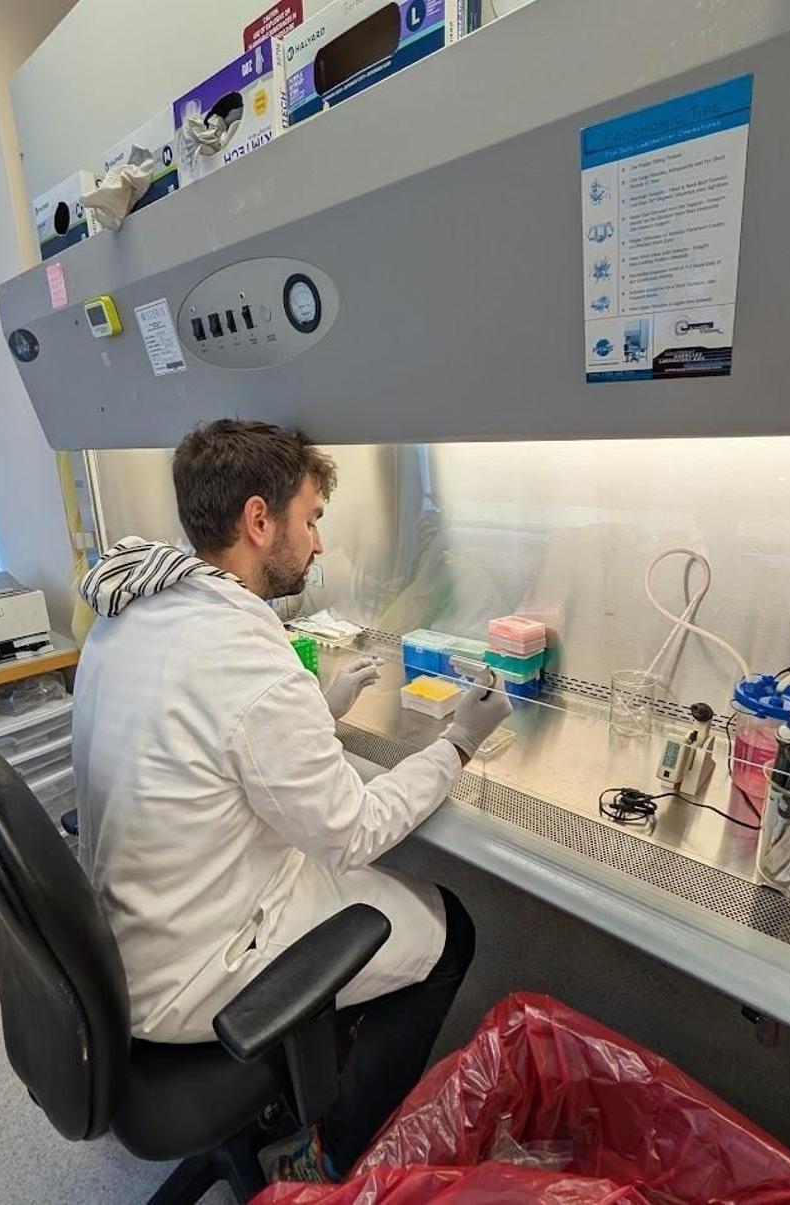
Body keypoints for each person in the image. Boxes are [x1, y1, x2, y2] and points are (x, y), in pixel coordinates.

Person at [73, 418, 511, 1182]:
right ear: (257, 519)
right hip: (198, 961)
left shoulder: (133, 615)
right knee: (452, 930)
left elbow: (205, 741)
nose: (316, 544)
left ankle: (305, 1086)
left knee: (345, 887)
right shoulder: (245, 652)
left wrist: (313, 706)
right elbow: (353, 828)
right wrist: (458, 743)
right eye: (310, 519)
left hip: (124, 935)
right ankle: (330, 1149)